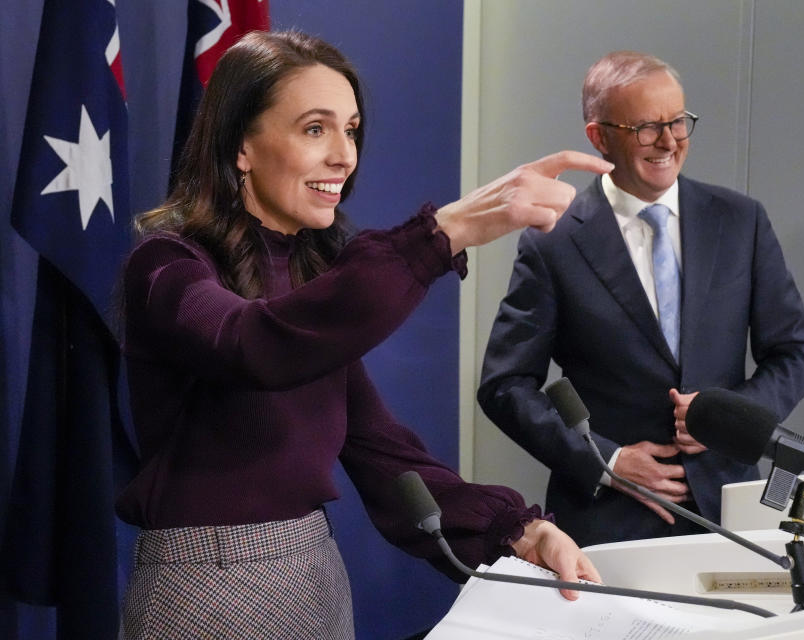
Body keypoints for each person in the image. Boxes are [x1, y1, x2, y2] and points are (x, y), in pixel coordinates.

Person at [116, 30, 613, 639]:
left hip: (314, 576)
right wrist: (440, 235)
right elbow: (253, 344)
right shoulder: (166, 266)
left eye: (350, 130)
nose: (344, 156)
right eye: (315, 129)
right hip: (207, 590)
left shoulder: (313, 281)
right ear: (241, 145)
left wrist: (519, 530)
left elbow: (382, 454)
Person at [478, 51, 804, 548]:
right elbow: (505, 384)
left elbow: (798, 354)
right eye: (646, 127)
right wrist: (607, 461)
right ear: (599, 137)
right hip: (610, 522)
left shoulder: (740, 220)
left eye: (678, 121)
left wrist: (730, 421)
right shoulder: (552, 240)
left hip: (733, 512)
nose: (669, 141)